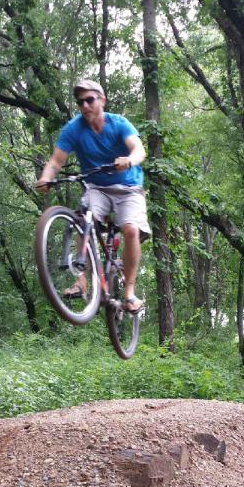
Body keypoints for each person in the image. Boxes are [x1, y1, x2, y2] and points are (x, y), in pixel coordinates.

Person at [36, 79, 149, 313]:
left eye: (90, 100)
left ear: (102, 100)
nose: (85, 106)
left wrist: (129, 160)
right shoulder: (73, 129)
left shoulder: (119, 124)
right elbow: (56, 161)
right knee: (82, 221)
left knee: (130, 229)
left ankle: (128, 293)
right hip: (96, 187)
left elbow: (139, 149)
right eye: (80, 102)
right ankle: (81, 281)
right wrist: (46, 177)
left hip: (128, 186)